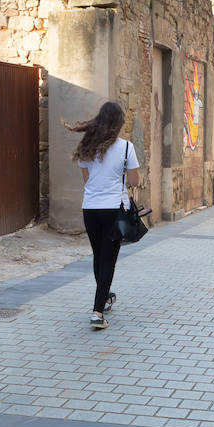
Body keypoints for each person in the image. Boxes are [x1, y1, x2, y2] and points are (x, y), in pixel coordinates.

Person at [68, 101, 140, 330]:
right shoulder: (126, 148)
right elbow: (134, 181)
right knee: (108, 260)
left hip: (90, 208)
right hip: (113, 209)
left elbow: (86, 180)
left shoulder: (87, 146)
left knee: (99, 256)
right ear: (119, 124)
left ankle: (106, 298)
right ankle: (97, 313)